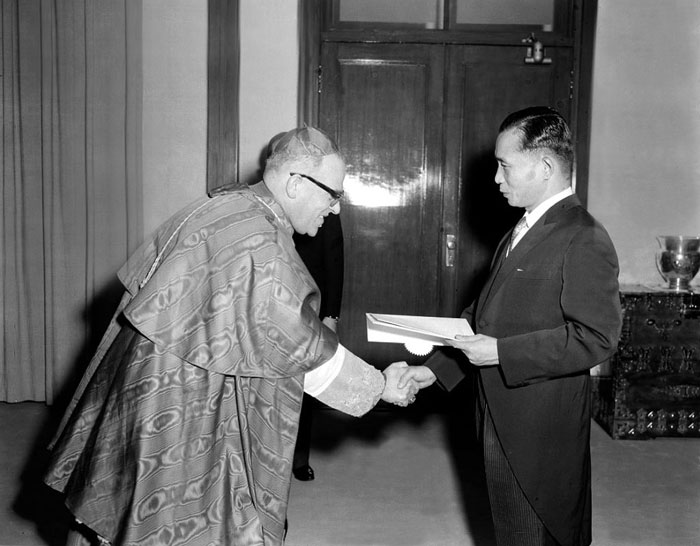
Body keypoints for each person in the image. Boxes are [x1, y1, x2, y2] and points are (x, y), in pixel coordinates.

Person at [43, 126, 418, 546]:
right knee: (186, 518)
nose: (334, 210)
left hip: (143, 383)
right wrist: (380, 386)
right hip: (183, 402)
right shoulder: (260, 242)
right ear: (295, 182)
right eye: (333, 195)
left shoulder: (224, 206)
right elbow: (297, 347)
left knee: (116, 505)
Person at [399, 106, 622, 546]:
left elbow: (597, 337)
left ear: (544, 167)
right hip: (500, 415)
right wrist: (434, 370)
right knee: (510, 530)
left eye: (505, 165)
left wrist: (502, 353)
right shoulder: (521, 228)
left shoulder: (584, 237)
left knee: (534, 531)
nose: (496, 178)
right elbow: (483, 317)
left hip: (539, 430)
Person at [292, 212, 344, 481]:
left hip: (312, 308)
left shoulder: (325, 207)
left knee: (305, 385)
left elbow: (335, 260)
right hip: (277, 305)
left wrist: (331, 316)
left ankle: (300, 458)